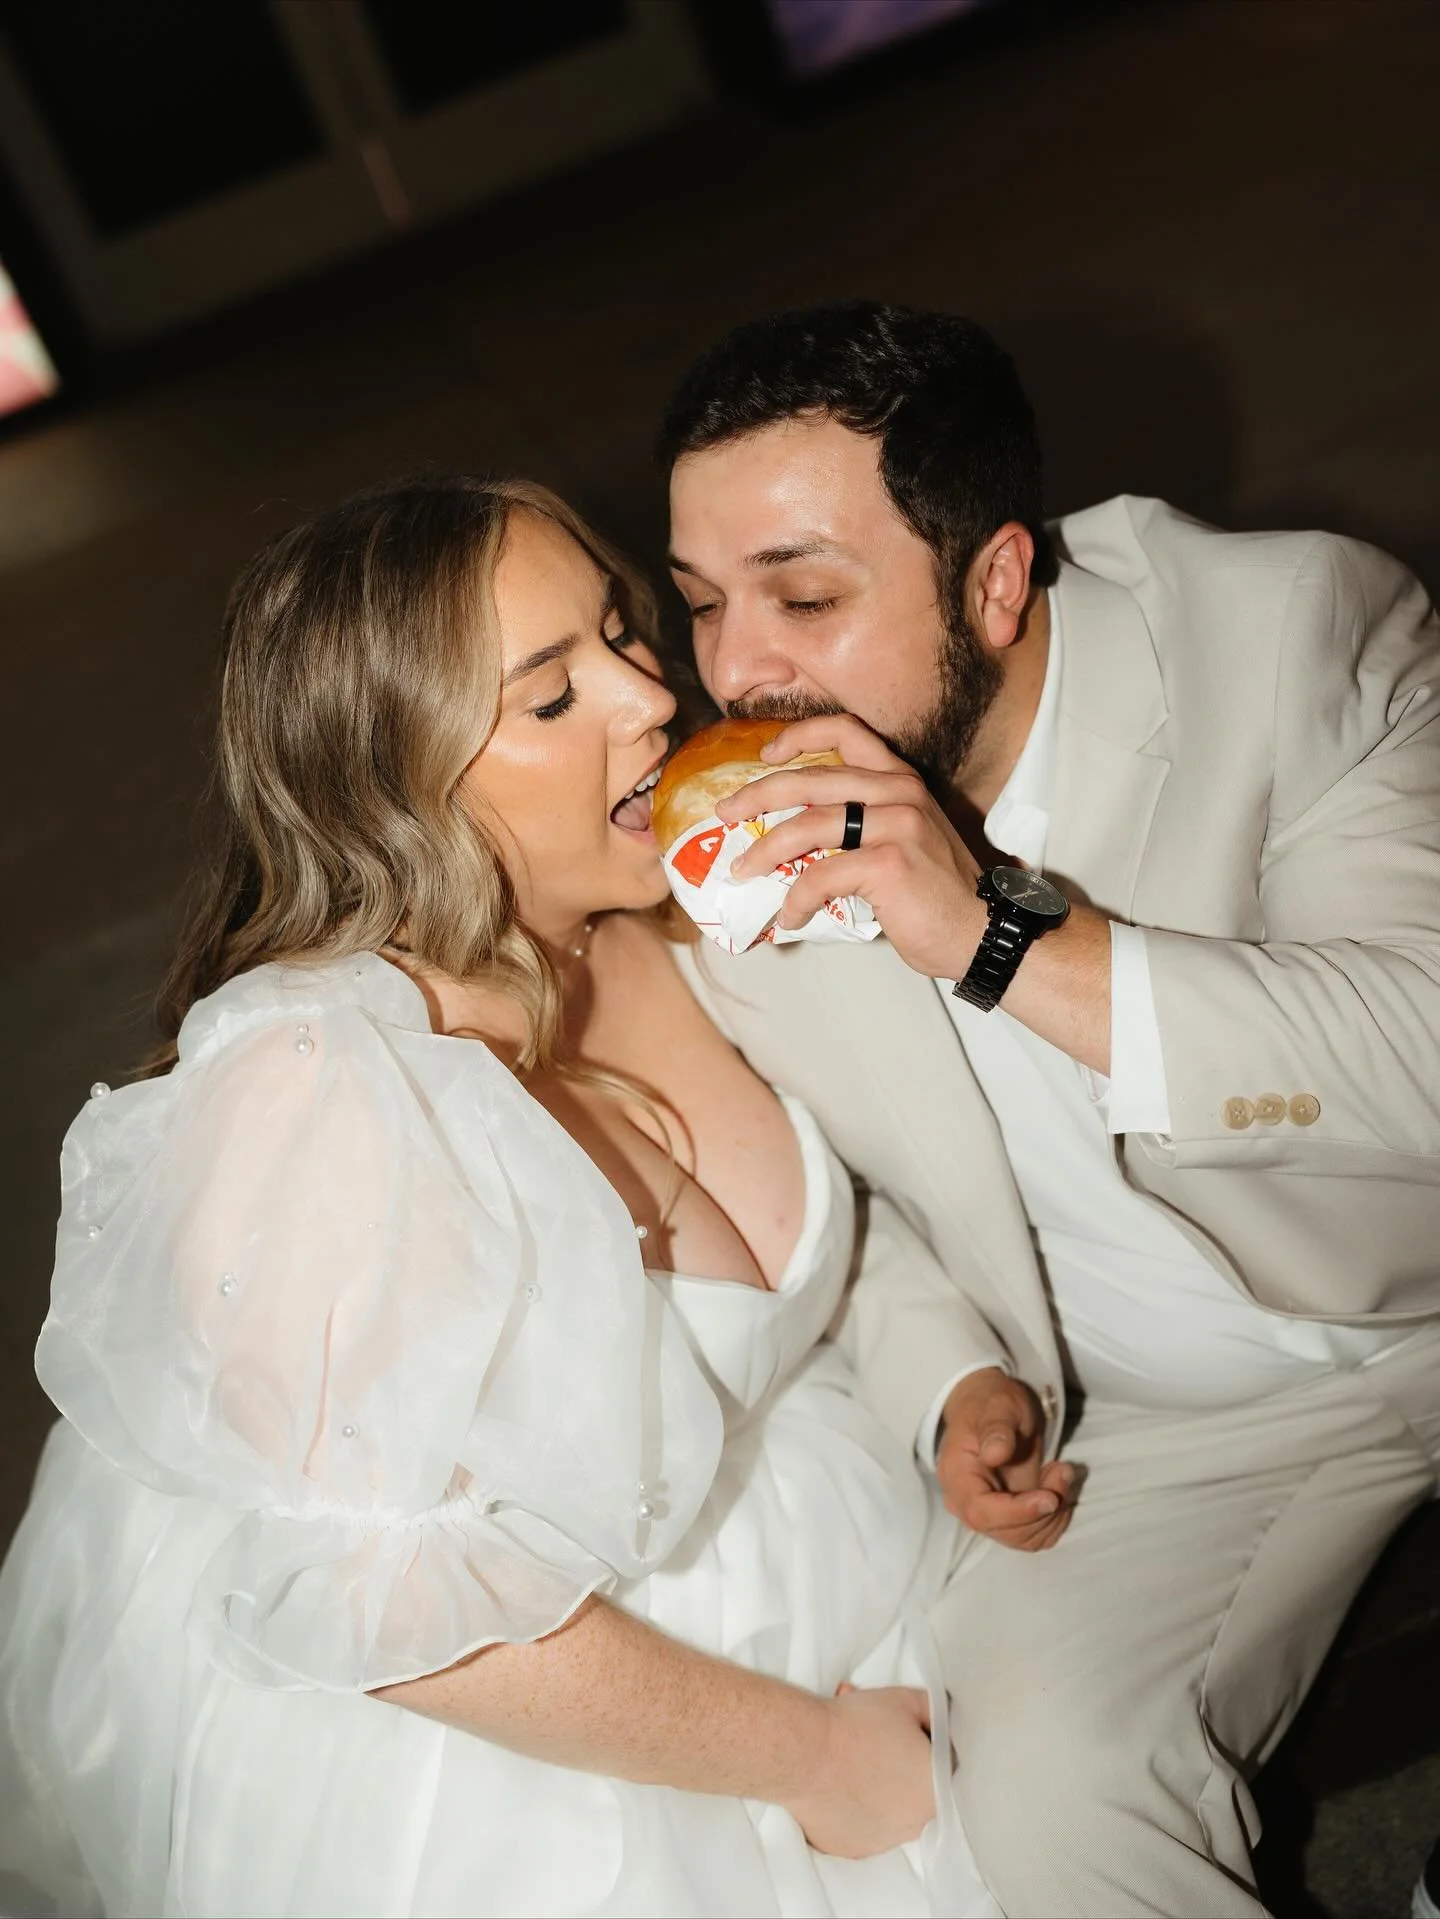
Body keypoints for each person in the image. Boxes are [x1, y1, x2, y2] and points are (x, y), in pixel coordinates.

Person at [0, 475, 999, 1919]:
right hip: (552, 1784)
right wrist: (820, 1760)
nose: (652, 696)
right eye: (551, 698)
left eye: (617, 631)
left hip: (860, 1569)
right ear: (400, 784)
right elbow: (399, 1616)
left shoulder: (671, 899)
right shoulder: (322, 1089)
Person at [658, 300, 1440, 1919]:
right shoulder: (735, 845)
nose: (737, 670)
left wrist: (1003, 937)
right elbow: (838, 1208)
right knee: (1039, 1780)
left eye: (804, 595)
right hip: (1172, 1421)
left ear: (998, 580)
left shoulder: (1298, 627)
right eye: (702, 604)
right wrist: (946, 1373)